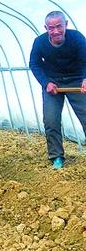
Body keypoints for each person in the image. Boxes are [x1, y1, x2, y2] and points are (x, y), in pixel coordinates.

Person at [29, 10, 86, 169]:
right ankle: (56, 157)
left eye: (59, 26)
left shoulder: (77, 38)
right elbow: (34, 64)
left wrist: (85, 78)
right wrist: (45, 82)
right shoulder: (40, 42)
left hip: (75, 80)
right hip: (53, 83)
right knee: (51, 120)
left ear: (66, 25)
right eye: (51, 28)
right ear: (45, 28)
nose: (55, 31)